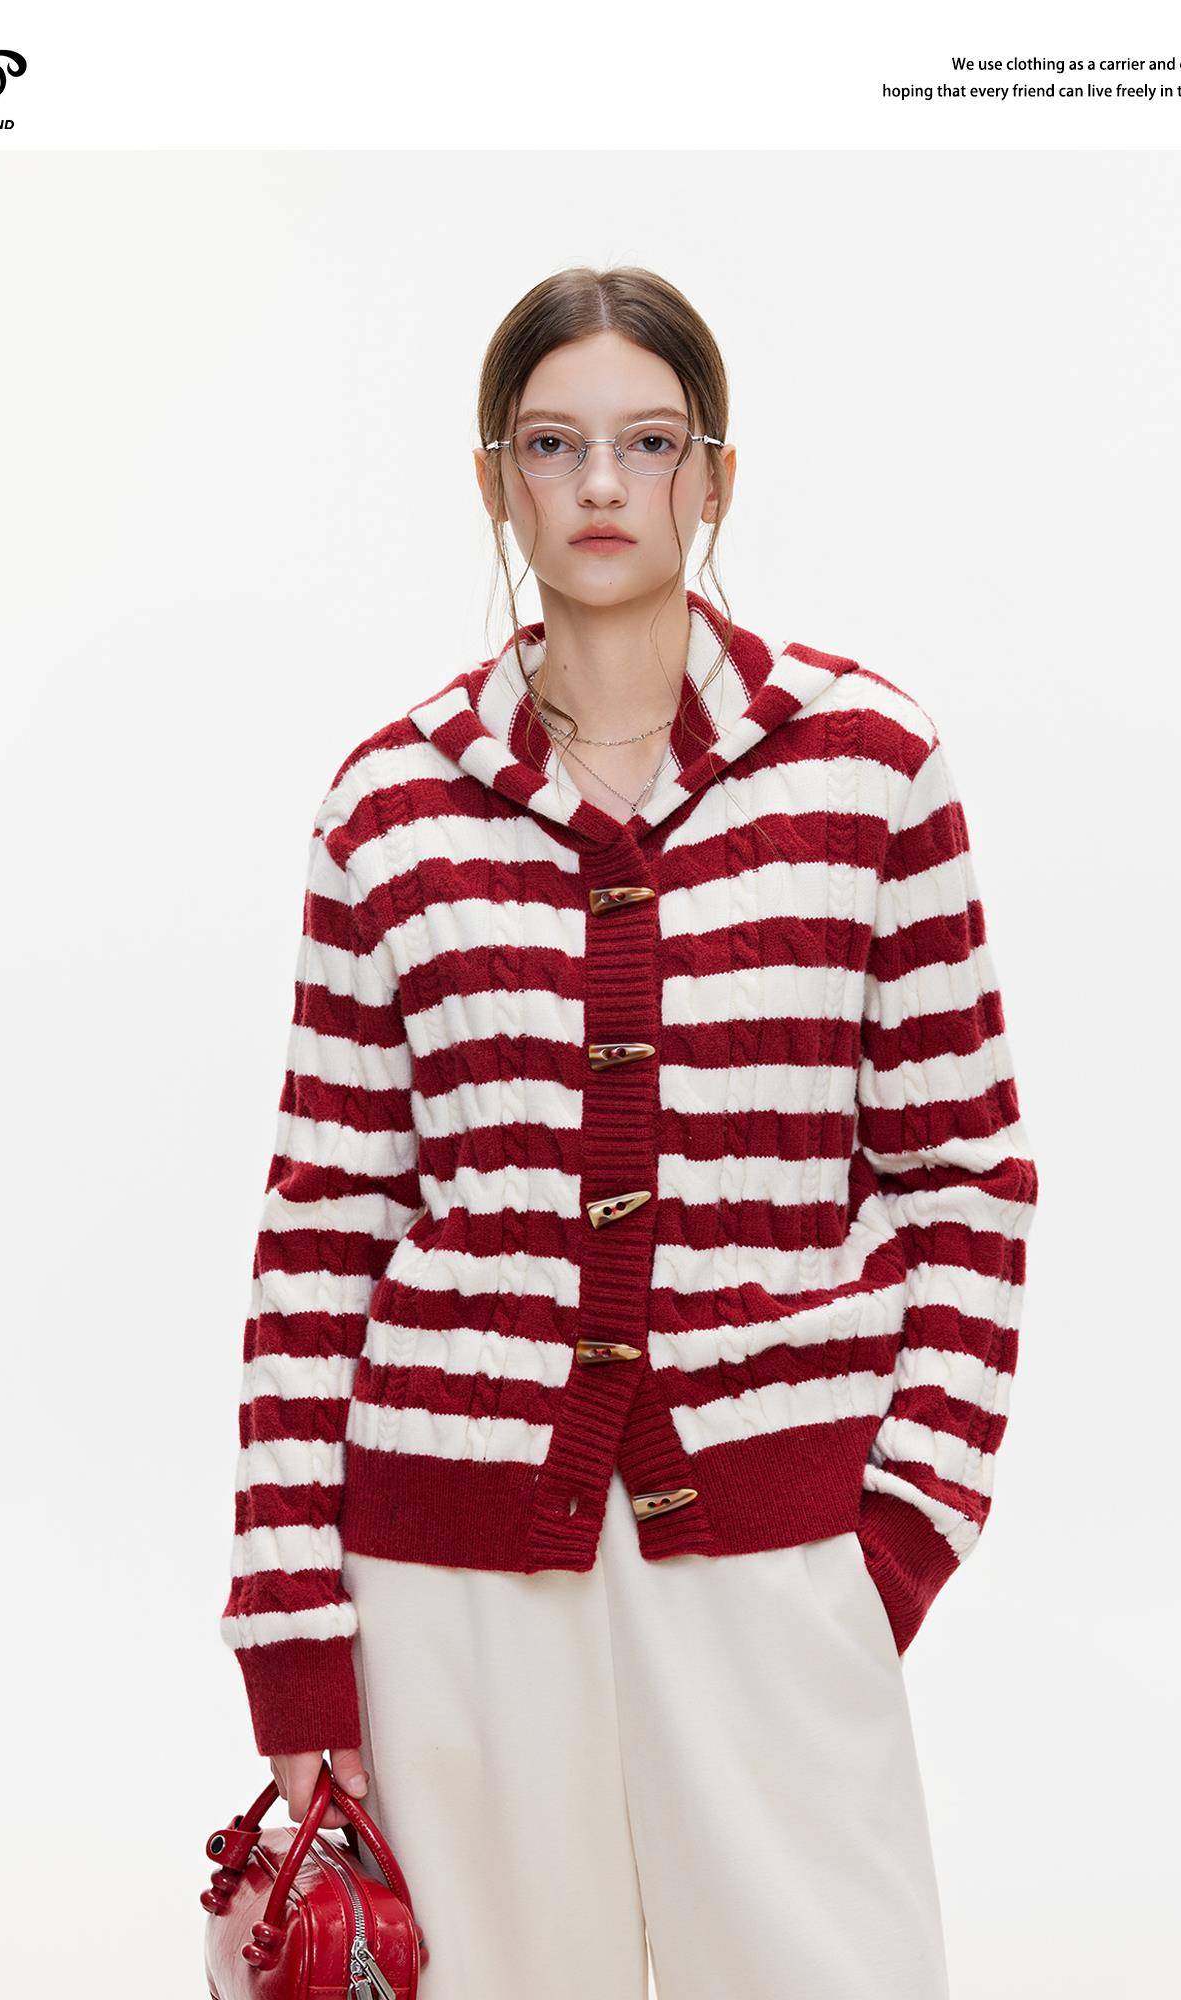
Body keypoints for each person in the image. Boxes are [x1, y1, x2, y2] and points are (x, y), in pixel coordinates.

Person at [219, 265, 1039, 1998]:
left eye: (648, 443)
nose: (600, 484)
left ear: (715, 477)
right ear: (494, 482)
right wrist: (296, 1637)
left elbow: (968, 1176)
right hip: (447, 1565)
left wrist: (900, 1533)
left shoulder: (868, 770)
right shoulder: (389, 809)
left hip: (777, 1546)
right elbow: (322, 1233)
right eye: (553, 444)